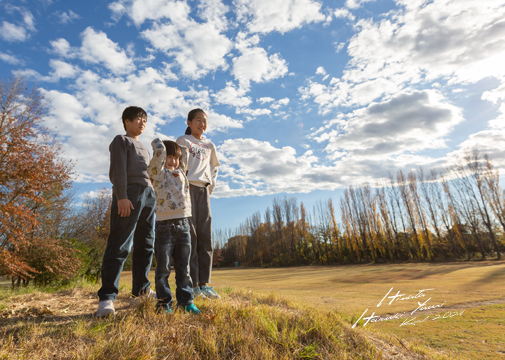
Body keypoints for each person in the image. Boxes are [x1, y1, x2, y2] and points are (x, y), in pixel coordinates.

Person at [96, 106, 156, 317]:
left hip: (149, 195)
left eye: (145, 120)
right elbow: (118, 169)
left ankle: (141, 291)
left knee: (146, 243)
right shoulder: (121, 141)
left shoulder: (145, 147)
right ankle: (107, 298)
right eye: (138, 119)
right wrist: (121, 196)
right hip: (130, 193)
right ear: (127, 122)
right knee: (120, 244)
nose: (142, 123)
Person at [147, 138, 201, 314]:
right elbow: (158, 157)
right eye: (169, 157)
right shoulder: (158, 173)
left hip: (184, 224)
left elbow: (184, 155)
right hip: (164, 226)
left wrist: (180, 151)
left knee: (183, 268)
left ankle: (186, 302)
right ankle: (164, 305)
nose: (173, 161)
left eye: (175, 158)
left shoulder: (181, 173)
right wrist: (159, 146)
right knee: (163, 269)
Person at [176, 109, 221, 299]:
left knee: (205, 237)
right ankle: (193, 284)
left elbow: (214, 168)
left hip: (204, 191)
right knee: (191, 237)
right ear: (189, 122)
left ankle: (205, 284)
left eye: (205, 121)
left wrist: (210, 187)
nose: (202, 124)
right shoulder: (183, 141)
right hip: (188, 190)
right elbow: (176, 166)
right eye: (198, 120)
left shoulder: (210, 145)